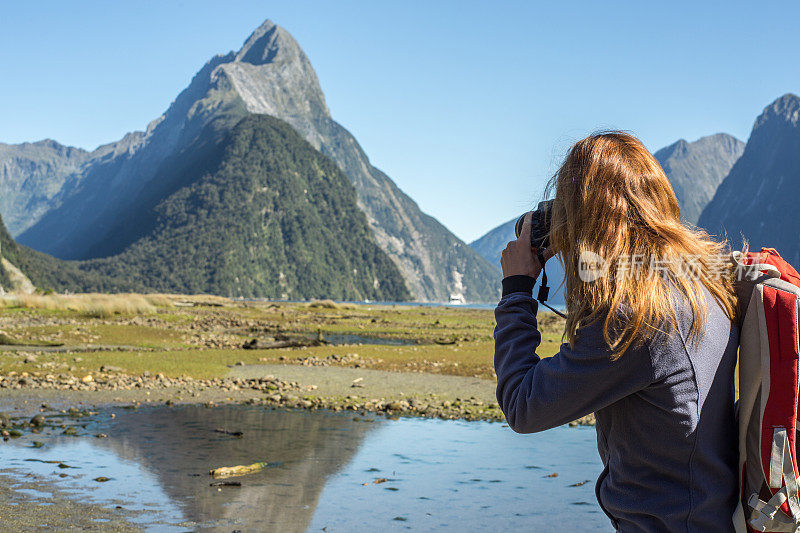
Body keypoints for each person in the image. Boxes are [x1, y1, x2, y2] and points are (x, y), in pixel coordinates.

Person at [494, 131, 740, 532]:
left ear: (592, 219)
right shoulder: (699, 286)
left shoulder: (638, 318)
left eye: (571, 212)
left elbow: (523, 405)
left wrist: (517, 291)